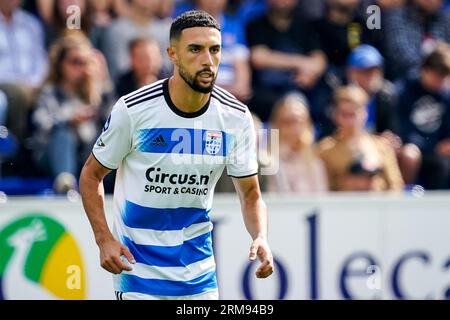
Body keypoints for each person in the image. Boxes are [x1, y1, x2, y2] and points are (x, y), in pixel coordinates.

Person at [79, 10, 274, 300]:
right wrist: (103, 239)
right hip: (137, 277)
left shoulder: (236, 117)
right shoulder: (134, 111)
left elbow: (251, 195)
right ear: (172, 54)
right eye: (195, 49)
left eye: (215, 50)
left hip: (200, 279)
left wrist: (260, 236)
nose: (208, 60)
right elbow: (91, 175)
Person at [32, 32, 113, 193]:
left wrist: (102, 82)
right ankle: (66, 185)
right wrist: (70, 120)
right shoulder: (50, 92)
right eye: (75, 62)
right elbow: (41, 123)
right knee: (64, 134)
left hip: (86, 155)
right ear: (61, 64)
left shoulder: (97, 93)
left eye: (85, 62)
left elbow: (115, 121)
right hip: (53, 154)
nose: (81, 68)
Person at [245, 0, 327, 121]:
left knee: (305, 105)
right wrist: (302, 64)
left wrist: (309, 73)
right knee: (270, 130)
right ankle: (273, 140)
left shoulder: (305, 25)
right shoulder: (257, 24)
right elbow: (259, 58)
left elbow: (320, 61)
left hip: (298, 91)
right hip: (264, 95)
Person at [318, 85, 404, 191]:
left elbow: (395, 185)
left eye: (354, 114)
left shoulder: (381, 146)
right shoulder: (325, 150)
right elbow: (323, 189)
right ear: (335, 115)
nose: (350, 121)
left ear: (365, 113)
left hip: (378, 204)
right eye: (345, 114)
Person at [396, 43, 450, 189]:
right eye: (437, 77)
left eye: (444, 78)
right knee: (412, 155)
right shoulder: (403, 91)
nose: (440, 82)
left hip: (439, 150)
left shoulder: (445, 93)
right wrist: (433, 147)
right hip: (415, 148)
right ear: (424, 70)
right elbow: (402, 130)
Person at [267, 93, 328, 193]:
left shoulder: (315, 164)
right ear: (275, 125)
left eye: (298, 121)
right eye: (287, 122)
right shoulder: (265, 163)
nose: (293, 128)